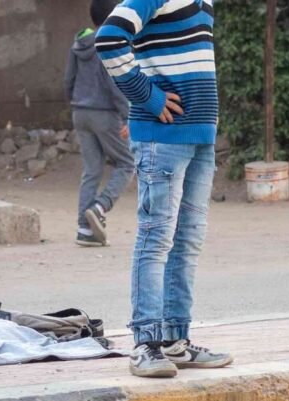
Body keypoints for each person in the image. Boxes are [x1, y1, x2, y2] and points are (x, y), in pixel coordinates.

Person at [96, 0, 232, 378]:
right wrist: (149, 97)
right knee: (156, 239)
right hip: (162, 138)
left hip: (200, 138)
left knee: (187, 240)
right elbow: (108, 40)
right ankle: (146, 344)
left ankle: (175, 340)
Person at [64, 0, 134, 247]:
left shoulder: (78, 43)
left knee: (91, 170)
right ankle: (100, 207)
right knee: (127, 163)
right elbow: (114, 85)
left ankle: (85, 230)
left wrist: (75, 104)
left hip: (80, 111)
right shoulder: (110, 42)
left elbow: (68, 80)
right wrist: (127, 117)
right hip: (104, 113)